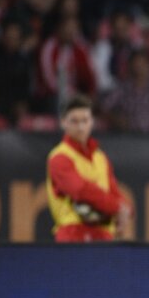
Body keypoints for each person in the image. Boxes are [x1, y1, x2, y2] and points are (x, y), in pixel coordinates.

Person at [46, 95, 132, 242]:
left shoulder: (100, 158)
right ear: (63, 123)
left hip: (103, 235)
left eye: (85, 120)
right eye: (74, 121)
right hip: (73, 234)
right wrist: (117, 207)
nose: (80, 127)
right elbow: (80, 191)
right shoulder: (59, 157)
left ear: (92, 122)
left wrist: (126, 209)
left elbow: (114, 191)